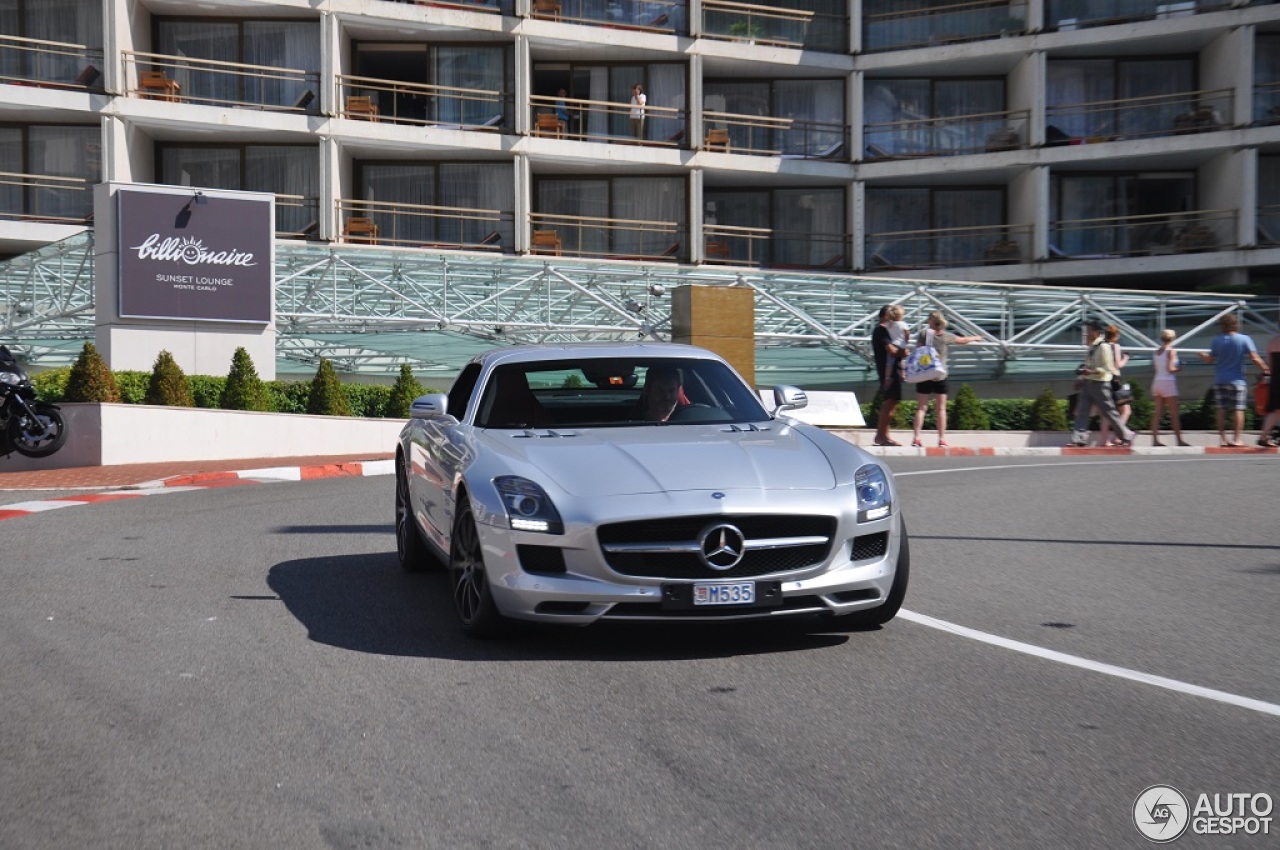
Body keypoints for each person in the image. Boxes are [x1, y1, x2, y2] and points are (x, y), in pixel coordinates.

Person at [909, 311, 981, 448]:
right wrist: (975, 337)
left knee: (921, 408)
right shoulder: (946, 336)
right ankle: (942, 439)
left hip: (925, 374)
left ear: (930, 320)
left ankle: (916, 438)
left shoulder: (924, 334)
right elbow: (962, 340)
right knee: (941, 409)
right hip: (940, 375)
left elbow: (917, 351)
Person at [1198, 313, 1270, 447]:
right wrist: (1266, 369)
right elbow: (1254, 357)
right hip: (1237, 380)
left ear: (1222, 326)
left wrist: (1203, 355)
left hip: (1220, 379)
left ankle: (1223, 440)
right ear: (1236, 325)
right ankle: (1237, 439)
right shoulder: (1244, 339)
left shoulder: (1216, 340)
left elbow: (1209, 360)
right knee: (1239, 409)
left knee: (1221, 409)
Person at [1070, 319, 1134, 447]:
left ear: (1096, 332)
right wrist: (1081, 377)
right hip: (1088, 383)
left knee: (1109, 412)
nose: (1086, 334)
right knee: (1083, 412)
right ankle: (1079, 439)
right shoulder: (1092, 347)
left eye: (1088, 331)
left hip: (1100, 385)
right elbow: (1087, 365)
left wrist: (1091, 371)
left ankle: (1125, 436)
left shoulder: (1104, 347)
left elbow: (1107, 368)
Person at [871, 305, 907, 446]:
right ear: (886, 316)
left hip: (892, 370)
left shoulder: (887, 331)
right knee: (889, 402)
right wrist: (903, 353)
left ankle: (884, 435)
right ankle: (881, 436)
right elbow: (891, 350)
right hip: (889, 372)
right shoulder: (881, 330)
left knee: (892, 402)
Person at [1149, 328, 1189, 447]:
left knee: (1157, 413)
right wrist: (1180, 368)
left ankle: (1155, 440)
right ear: (1172, 338)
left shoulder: (1156, 352)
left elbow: (1155, 369)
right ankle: (1179, 440)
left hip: (1157, 381)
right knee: (1174, 413)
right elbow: (1171, 369)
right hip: (1168, 382)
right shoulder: (1171, 351)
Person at [1099, 325, 1131, 446]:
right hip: (1115, 380)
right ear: (1115, 335)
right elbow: (1118, 365)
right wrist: (1126, 358)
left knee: (1106, 413)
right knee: (1126, 410)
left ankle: (1104, 441)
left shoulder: (1101, 346)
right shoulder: (1115, 346)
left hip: (1103, 380)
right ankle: (1118, 435)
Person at [1256, 332, 1280, 447]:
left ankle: (1263, 437)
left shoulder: (1272, 342)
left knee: (1275, 410)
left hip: (1276, 381)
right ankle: (1264, 437)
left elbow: (1269, 365)